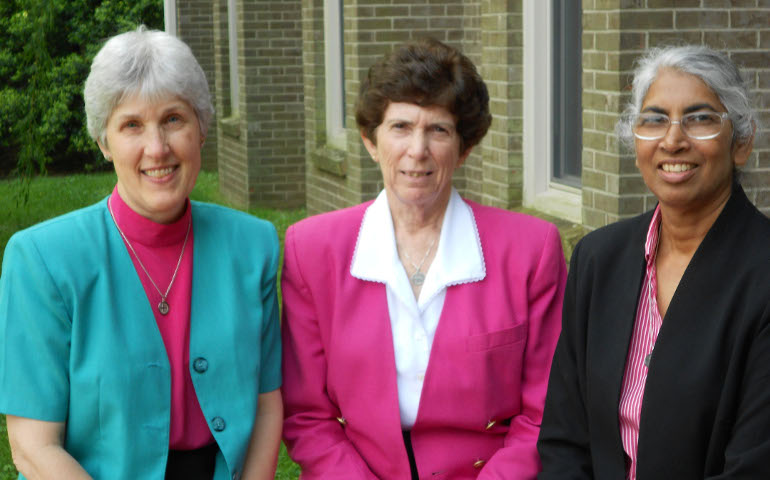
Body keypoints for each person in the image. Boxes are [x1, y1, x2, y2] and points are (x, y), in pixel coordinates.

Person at [0, 27, 282, 480]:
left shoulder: (253, 246)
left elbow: (267, 405)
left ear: (201, 128)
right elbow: (33, 446)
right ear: (104, 141)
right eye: (132, 125)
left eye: (173, 119)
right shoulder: (41, 260)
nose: (157, 148)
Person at [281, 38, 567, 479]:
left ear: (464, 148)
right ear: (370, 141)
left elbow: (545, 414)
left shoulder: (530, 250)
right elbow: (307, 416)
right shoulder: (313, 249)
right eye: (400, 127)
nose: (417, 150)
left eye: (438, 130)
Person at [537, 45, 770, 479]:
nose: (673, 139)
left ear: (741, 142)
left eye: (700, 118)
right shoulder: (598, 259)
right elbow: (564, 438)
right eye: (654, 119)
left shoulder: (762, 276)